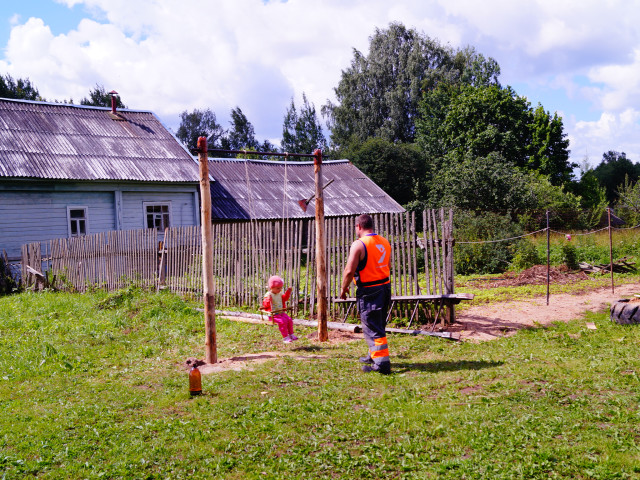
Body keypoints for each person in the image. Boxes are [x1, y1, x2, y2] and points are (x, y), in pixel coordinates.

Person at [340, 214, 392, 374]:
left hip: (369, 291)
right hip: (385, 287)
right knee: (378, 323)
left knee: (372, 326)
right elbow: (388, 264)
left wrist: (344, 288)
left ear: (358, 226)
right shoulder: (384, 241)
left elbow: (349, 270)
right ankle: (372, 354)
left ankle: (381, 364)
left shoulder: (359, 244)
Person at [262, 275, 298, 343]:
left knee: (289, 320)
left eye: (281, 288)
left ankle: (291, 334)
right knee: (282, 322)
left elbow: (285, 299)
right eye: (278, 288)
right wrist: (268, 300)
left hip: (281, 312)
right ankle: (285, 337)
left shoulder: (279, 293)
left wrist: (288, 292)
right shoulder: (268, 295)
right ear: (272, 287)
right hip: (273, 315)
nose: (280, 290)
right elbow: (265, 305)